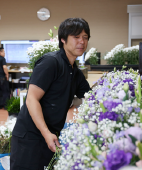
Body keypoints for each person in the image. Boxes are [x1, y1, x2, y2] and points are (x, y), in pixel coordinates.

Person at [10, 18, 91, 170]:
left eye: (85, 37)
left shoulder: (75, 72)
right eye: (76, 37)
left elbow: (91, 96)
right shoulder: (50, 62)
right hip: (30, 137)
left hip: (50, 136)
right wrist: (46, 133)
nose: (82, 41)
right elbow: (32, 99)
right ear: (63, 39)